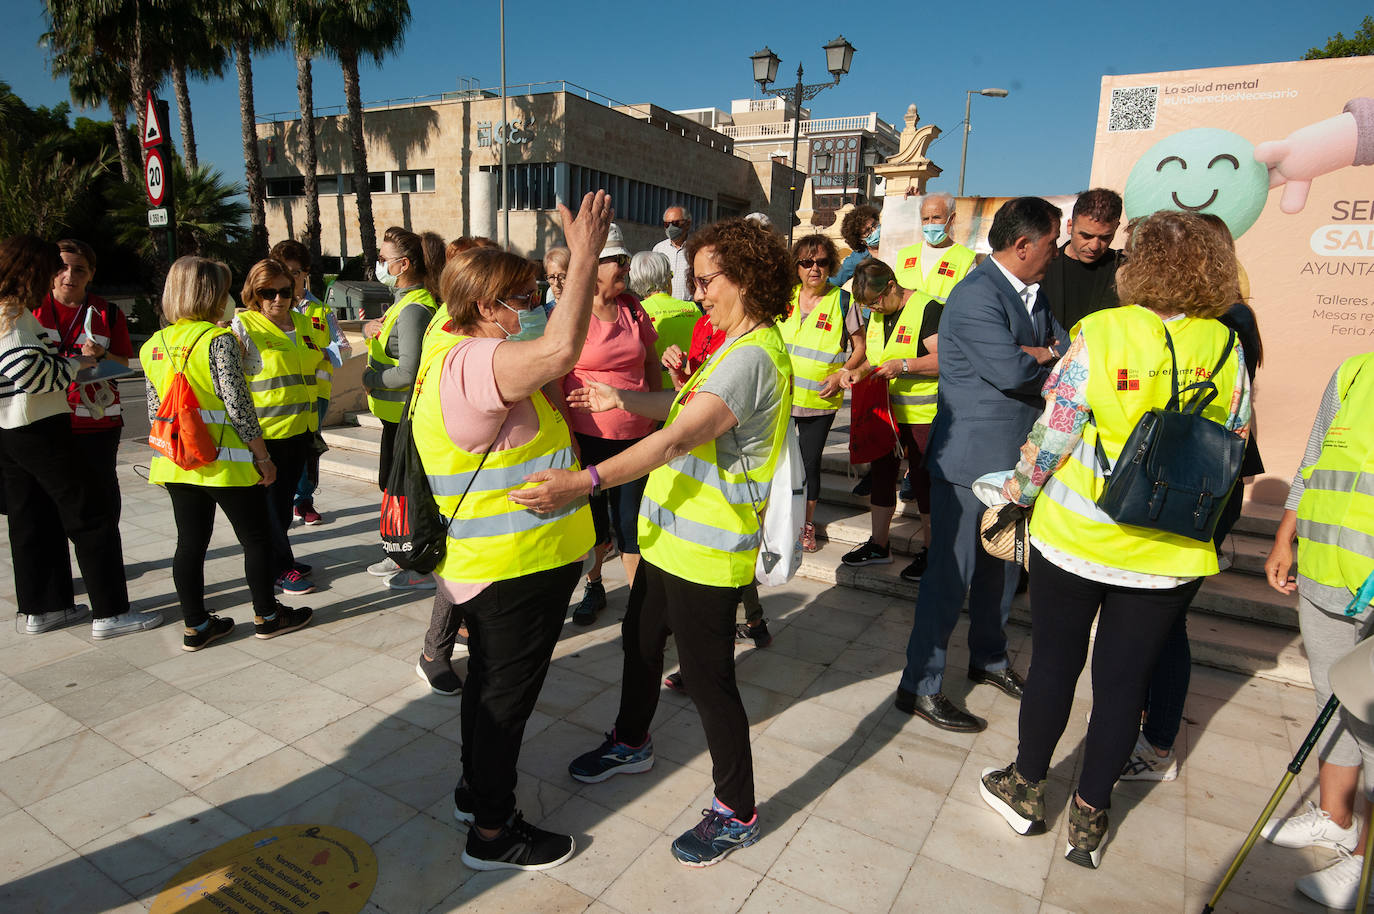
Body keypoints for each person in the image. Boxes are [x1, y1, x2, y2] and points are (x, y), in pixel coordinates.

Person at [511, 217, 794, 867]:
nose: (698, 294)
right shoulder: (731, 344)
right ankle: (632, 741)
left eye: (707, 280)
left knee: (708, 680)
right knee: (639, 644)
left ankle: (737, 810)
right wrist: (622, 393)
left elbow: (675, 439)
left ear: (746, 278)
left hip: (707, 552)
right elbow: (674, 408)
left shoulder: (753, 356)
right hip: (670, 540)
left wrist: (582, 482)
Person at [978, 210, 1249, 870]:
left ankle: (1026, 789)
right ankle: (1090, 817)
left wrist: (1016, 491)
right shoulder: (1226, 346)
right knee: (1125, 684)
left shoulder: (1102, 332)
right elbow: (1235, 440)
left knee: (1054, 666)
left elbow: (1055, 433)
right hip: (1168, 551)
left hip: (1078, 538)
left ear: (1142, 263)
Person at [412, 189, 611, 871]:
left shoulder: (450, 340)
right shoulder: (476, 363)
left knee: (489, 691)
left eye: (538, 292)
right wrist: (583, 255)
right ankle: (494, 833)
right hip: (513, 566)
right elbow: (560, 351)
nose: (536, 307)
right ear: (484, 308)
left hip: (502, 562)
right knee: (505, 702)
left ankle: (475, 795)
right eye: (524, 298)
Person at [894, 197, 1067, 733]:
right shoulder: (975, 297)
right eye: (1051, 242)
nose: (1055, 252)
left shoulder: (1031, 294)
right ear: (1022, 245)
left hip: (1015, 463)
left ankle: (989, 659)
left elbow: (1064, 347)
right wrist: (1038, 356)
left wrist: (1041, 352)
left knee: (1002, 570)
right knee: (952, 576)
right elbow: (1014, 370)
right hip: (969, 463)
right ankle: (919, 686)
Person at [1121, 212, 1265, 784]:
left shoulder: (1227, 322)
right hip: (1177, 474)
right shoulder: (1218, 317)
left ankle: (1158, 743)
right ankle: (1142, 719)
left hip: (1192, 478)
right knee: (1153, 615)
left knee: (1166, 618)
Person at [141, 256, 312, 650]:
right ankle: (269, 616)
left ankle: (196, 625)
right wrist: (262, 456)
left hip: (177, 461)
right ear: (210, 293)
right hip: (225, 464)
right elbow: (238, 406)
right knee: (255, 538)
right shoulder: (217, 340)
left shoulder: (154, 343)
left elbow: (154, 412)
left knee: (190, 543)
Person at [1262, 351, 1374, 909]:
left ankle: (1367, 870)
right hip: (1327, 574)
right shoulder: (1354, 371)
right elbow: (1314, 462)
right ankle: (1337, 820)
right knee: (1334, 699)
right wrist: (1286, 536)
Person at [0, 235, 150, 640]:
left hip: (17, 428)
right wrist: (75, 363)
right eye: (54, 266)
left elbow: (44, 361)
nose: (60, 274)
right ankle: (111, 613)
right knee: (91, 516)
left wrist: (71, 361)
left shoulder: (14, 313)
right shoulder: (13, 313)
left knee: (31, 518)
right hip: (38, 426)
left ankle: (46, 608)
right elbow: (35, 375)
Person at [563, 225, 660, 625]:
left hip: (637, 435)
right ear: (593, 267)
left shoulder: (633, 306)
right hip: (589, 436)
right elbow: (556, 375)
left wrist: (657, 416)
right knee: (595, 520)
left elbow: (650, 361)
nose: (625, 266)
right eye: (616, 260)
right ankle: (596, 586)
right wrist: (567, 434)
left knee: (631, 522)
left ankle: (640, 604)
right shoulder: (575, 309)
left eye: (625, 259)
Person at [232, 259, 329, 596]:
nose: (278, 299)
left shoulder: (304, 323)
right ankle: (280, 568)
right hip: (267, 435)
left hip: (302, 429)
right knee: (271, 509)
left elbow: (318, 360)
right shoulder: (244, 327)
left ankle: (281, 558)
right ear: (254, 294)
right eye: (267, 292)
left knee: (285, 503)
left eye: (284, 291)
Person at [839, 258, 940, 580]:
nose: (873, 310)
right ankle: (879, 545)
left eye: (875, 302)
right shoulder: (878, 313)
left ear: (892, 287)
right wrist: (857, 372)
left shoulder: (928, 309)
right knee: (881, 476)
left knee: (924, 484)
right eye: (867, 306)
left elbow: (945, 359)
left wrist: (905, 366)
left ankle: (932, 551)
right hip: (885, 414)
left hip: (923, 414)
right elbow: (874, 356)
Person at [34, 239, 132, 523]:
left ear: (91, 274)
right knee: (51, 504)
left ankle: (105, 561)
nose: (70, 276)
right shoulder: (31, 310)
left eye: (79, 270)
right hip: (48, 420)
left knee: (101, 500)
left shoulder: (108, 312)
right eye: (63, 268)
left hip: (97, 423)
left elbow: (124, 363)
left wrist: (103, 354)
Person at [779, 233, 866, 553]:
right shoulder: (783, 297)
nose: (813, 268)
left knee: (809, 462)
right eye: (806, 262)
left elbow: (861, 347)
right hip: (781, 398)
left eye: (821, 262)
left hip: (820, 399)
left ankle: (806, 525)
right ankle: (776, 520)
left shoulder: (843, 301)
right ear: (797, 267)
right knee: (778, 462)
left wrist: (843, 372)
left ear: (830, 264)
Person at [364, 226, 439, 590]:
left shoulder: (414, 308)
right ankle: (402, 551)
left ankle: (415, 557)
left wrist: (371, 379)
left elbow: (409, 370)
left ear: (404, 264)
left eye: (383, 259)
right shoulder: (403, 304)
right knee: (393, 486)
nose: (379, 264)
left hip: (406, 418)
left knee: (407, 491)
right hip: (394, 418)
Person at [269, 239, 351, 528]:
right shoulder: (266, 311)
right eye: (283, 270)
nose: (290, 278)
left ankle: (303, 501)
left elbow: (343, 348)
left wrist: (320, 352)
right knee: (279, 452)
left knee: (307, 449)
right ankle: (278, 501)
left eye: (294, 271)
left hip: (316, 395)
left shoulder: (320, 311)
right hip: (277, 397)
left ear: (305, 272)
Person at [1039, 188, 1123, 333]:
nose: (1094, 246)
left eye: (1105, 237)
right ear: (1070, 226)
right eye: (1086, 236)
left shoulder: (1125, 270)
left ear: (1116, 228)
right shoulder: (1041, 267)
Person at [629, 251, 700, 391]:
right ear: (667, 278)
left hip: (652, 393)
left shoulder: (634, 313)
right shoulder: (693, 308)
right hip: (690, 389)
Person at [893, 192, 976, 304]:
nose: (930, 224)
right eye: (925, 219)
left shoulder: (966, 258)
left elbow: (968, 304)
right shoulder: (904, 255)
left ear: (951, 219)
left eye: (936, 218)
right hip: (906, 322)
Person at [834, 204, 881, 288]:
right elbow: (834, 281)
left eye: (874, 225)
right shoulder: (857, 259)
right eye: (867, 231)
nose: (874, 231)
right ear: (860, 240)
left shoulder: (895, 240)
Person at [652, 205, 693, 301]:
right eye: (667, 224)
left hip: (690, 308)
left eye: (675, 223)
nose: (670, 228)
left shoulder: (696, 248)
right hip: (665, 306)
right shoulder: (659, 249)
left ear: (687, 224)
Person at [543, 246, 569, 314]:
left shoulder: (586, 310)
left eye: (562, 277)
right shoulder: (544, 314)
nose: (556, 283)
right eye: (551, 277)